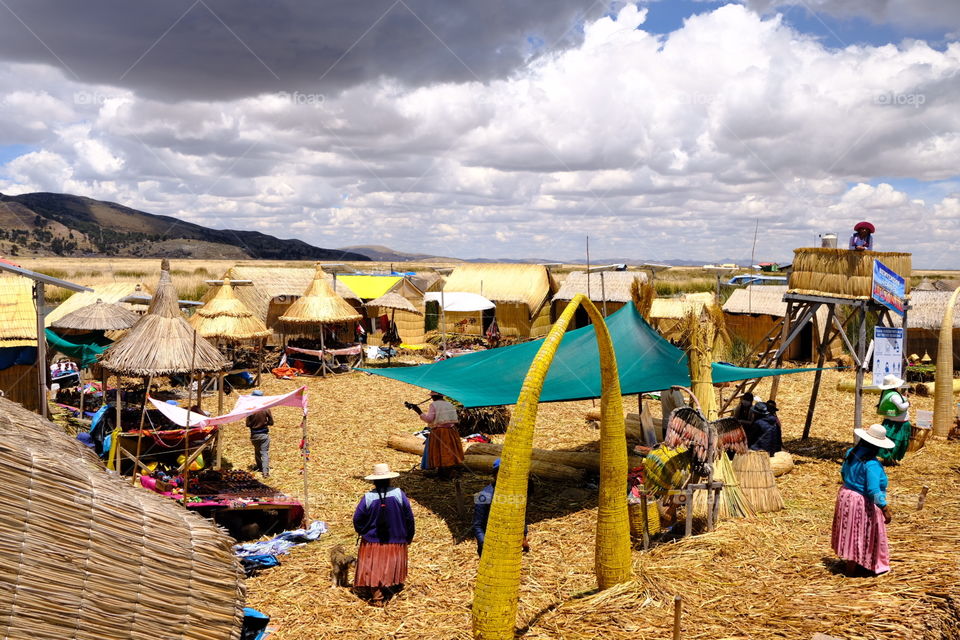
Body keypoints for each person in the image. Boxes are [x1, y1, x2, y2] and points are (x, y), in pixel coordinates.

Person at [831, 424, 894, 575]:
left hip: (845, 495)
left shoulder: (851, 452)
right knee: (858, 532)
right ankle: (851, 570)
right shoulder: (872, 464)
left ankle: (856, 563)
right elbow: (873, 490)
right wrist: (884, 508)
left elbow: (843, 473)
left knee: (850, 529)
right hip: (860, 500)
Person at [352, 463, 415, 605]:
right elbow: (409, 518)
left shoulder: (368, 497)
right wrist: (408, 535)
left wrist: (363, 531)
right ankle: (388, 588)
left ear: (374, 480)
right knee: (389, 565)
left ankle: (377, 597)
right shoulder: (399, 494)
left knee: (375, 567)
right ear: (389, 479)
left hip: (372, 540)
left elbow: (357, 518)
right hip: (396, 538)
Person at [472, 458, 529, 557]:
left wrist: (523, 536)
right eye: (501, 473)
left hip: (510, 544)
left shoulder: (516, 493)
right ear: (495, 475)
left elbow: (520, 518)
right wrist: (485, 544)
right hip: (489, 545)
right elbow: (477, 525)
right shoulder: (484, 495)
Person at [405, 391, 464, 477]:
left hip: (440, 432)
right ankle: (444, 472)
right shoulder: (449, 404)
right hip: (451, 431)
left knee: (440, 451)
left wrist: (419, 411)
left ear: (433, 397)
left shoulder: (434, 405)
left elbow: (429, 419)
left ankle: (444, 474)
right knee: (448, 451)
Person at [876, 373, 910, 464]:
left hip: (891, 422)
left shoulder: (886, 393)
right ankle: (889, 459)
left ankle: (890, 459)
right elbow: (901, 407)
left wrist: (904, 397)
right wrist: (908, 403)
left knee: (890, 441)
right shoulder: (894, 395)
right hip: (897, 425)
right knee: (896, 442)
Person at [245, 389, 273, 477]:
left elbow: (248, 424)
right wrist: (265, 423)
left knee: (257, 451)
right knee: (264, 452)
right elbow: (271, 422)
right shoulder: (266, 409)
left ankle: (260, 467)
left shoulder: (250, 410)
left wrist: (254, 424)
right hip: (263, 434)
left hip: (254, 435)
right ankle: (265, 472)